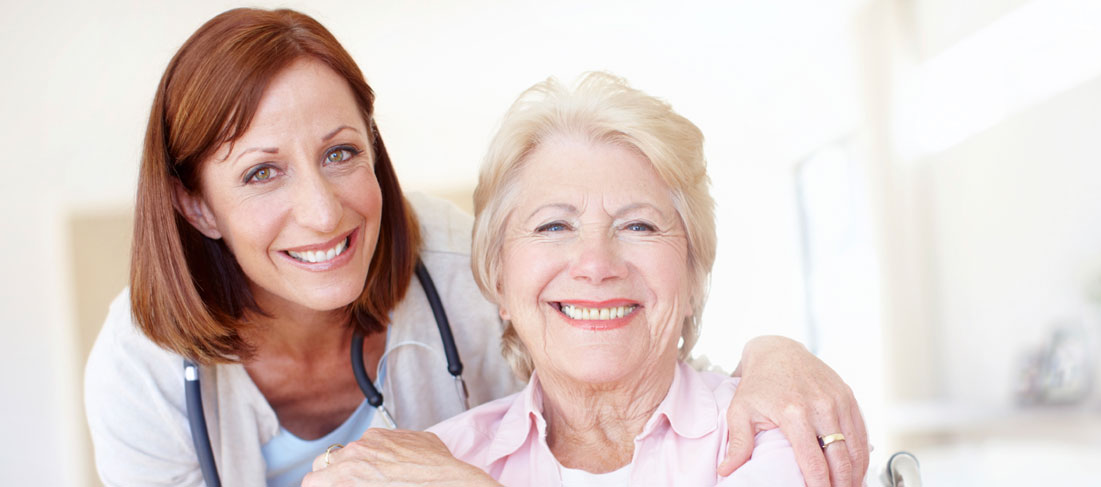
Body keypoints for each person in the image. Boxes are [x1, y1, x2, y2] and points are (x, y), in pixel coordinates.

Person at [83, 8, 867, 487]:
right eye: (261, 172)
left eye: (341, 152)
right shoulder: (140, 373)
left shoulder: (453, 263)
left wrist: (771, 353)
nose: (322, 211)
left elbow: (606, 353)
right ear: (194, 202)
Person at [308, 72, 817, 486]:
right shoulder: (438, 461)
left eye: (638, 225)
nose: (596, 264)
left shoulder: (771, 433)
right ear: (499, 283)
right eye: (554, 226)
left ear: (692, 274)